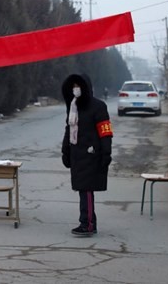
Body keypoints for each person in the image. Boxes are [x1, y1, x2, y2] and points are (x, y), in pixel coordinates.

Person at [60, 73, 112, 237]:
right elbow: (69, 129)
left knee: (86, 189)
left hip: (91, 154)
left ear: (86, 87)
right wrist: (65, 150)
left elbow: (105, 132)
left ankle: (87, 223)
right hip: (77, 153)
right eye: (73, 86)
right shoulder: (73, 106)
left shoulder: (98, 106)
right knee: (83, 189)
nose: (76, 89)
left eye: (79, 85)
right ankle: (88, 221)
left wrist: (106, 153)